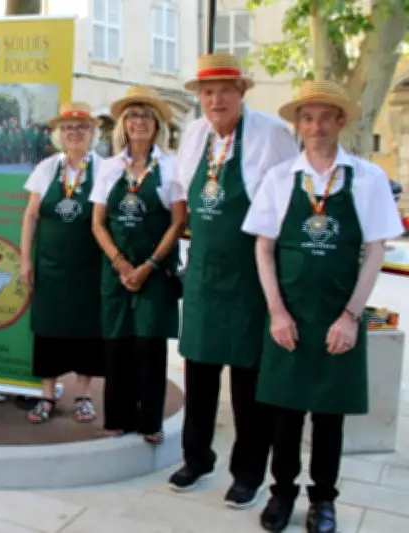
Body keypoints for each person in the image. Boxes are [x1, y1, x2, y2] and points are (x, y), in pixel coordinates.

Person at [242, 81, 405, 533]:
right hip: (288, 317)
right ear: (298, 124)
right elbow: (263, 247)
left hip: (338, 318)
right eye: (307, 118)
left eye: (324, 117)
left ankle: (323, 501)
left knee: (329, 418)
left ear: (340, 122)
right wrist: (276, 310)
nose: (315, 126)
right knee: (286, 416)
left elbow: (375, 250)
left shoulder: (367, 178)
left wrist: (351, 317)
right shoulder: (280, 179)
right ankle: (281, 494)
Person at [168, 53, 299, 508]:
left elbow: (290, 200)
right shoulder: (194, 133)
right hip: (204, 273)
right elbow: (182, 197)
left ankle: (247, 473)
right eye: (207, 92)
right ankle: (196, 457)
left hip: (250, 277)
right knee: (199, 374)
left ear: (242, 92)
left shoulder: (272, 135)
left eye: (225, 89)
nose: (215, 99)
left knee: (248, 383)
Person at [90, 87, 186, 443]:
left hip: (155, 271)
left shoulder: (172, 166)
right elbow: (98, 221)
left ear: (157, 124)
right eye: (132, 116)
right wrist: (119, 262)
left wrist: (146, 265)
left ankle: (150, 422)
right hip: (115, 271)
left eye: (146, 116)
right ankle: (117, 416)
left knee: (148, 344)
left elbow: (177, 223)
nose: (139, 122)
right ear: (123, 125)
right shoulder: (110, 168)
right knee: (117, 344)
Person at [20, 102, 104, 423]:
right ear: (59, 134)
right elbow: (30, 216)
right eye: (68, 128)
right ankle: (46, 395)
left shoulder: (105, 168)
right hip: (50, 267)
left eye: (81, 127)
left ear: (91, 133)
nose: (74, 133)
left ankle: (83, 395)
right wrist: (26, 259)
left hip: (89, 267)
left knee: (88, 330)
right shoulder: (47, 168)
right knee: (48, 329)